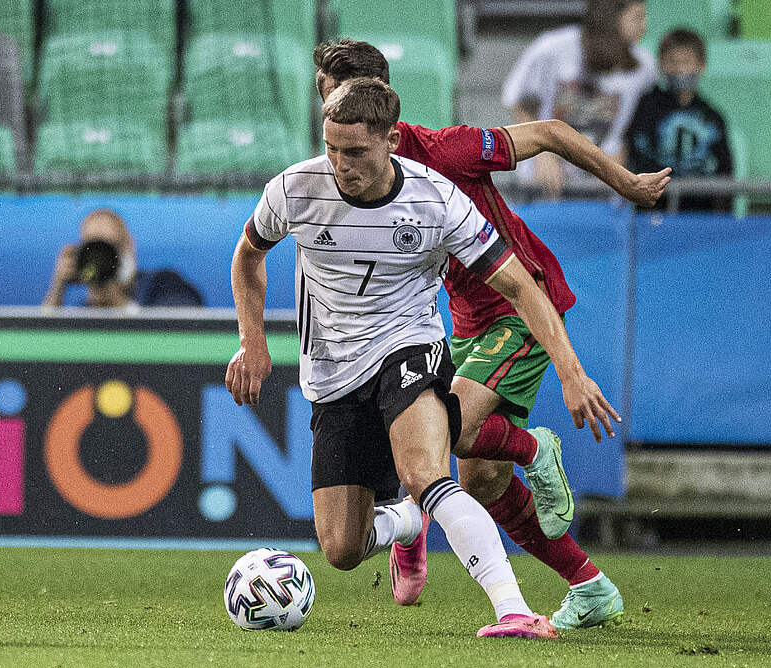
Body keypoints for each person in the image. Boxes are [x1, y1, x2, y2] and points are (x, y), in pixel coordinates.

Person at [227, 77, 619, 638]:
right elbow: (247, 258)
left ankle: (512, 610)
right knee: (341, 549)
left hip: (409, 348)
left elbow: (521, 288)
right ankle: (409, 523)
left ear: (391, 140)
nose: (340, 165)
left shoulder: (435, 198)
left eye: (356, 152)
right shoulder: (294, 189)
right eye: (332, 148)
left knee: (427, 474)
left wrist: (571, 372)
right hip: (333, 374)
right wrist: (252, 340)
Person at [316, 38, 669, 630]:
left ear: (378, 111)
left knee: (453, 427)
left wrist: (626, 184)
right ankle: (591, 586)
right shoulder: (341, 175)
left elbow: (552, 131)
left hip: (521, 305)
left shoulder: (446, 151)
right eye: (326, 101)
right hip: (464, 323)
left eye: (332, 96)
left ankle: (521, 458)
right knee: (480, 477)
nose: (327, 114)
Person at [502, 0, 655, 196]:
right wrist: (542, 153)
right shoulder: (552, 48)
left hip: (600, 188)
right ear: (611, 19)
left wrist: (620, 153)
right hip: (542, 184)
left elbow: (639, 122)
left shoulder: (644, 66)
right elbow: (521, 102)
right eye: (637, 17)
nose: (644, 25)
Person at [624, 29, 732, 190]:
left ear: (701, 65)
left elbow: (725, 169)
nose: (680, 69)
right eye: (673, 62)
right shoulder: (646, 108)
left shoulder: (712, 117)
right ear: (660, 65)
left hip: (700, 208)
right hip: (654, 205)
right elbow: (635, 155)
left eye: (687, 61)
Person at [42, 208, 203, 309]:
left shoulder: (163, 284)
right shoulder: (86, 311)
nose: (101, 259)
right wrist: (58, 288)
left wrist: (116, 300)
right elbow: (42, 348)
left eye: (109, 247)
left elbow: (183, 331)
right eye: (92, 249)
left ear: (129, 246)